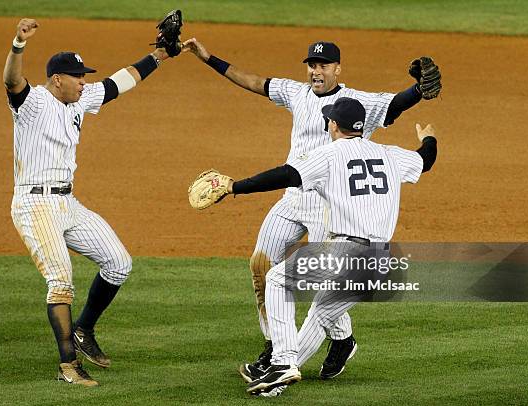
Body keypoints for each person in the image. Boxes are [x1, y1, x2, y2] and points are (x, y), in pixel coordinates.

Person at [183, 38, 441, 379]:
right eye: (311, 64)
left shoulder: (355, 101)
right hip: (292, 197)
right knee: (261, 265)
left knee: (326, 285)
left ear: (337, 68)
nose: (315, 70)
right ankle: (276, 347)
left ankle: (337, 340)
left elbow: (394, 105)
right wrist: (208, 58)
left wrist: (417, 90)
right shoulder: (295, 92)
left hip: (329, 206)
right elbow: (255, 83)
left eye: (322, 65)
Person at [3, 18, 175, 386]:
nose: (84, 82)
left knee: (119, 263)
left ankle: (83, 329)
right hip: (35, 206)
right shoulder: (32, 103)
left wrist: (159, 55)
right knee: (60, 281)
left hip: (68, 204)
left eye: (84, 76)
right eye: (77, 76)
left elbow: (117, 83)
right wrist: (19, 43)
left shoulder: (80, 100)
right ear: (57, 80)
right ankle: (68, 366)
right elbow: (11, 81)